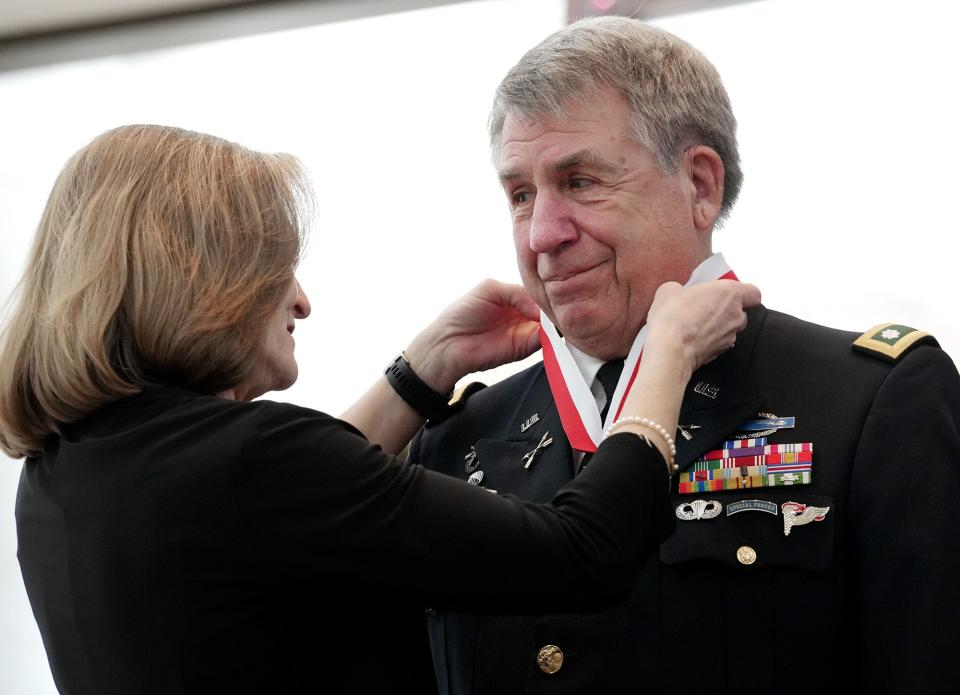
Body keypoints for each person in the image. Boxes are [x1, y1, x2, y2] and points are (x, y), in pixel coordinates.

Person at [0, 124, 758, 695]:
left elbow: (275, 511)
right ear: (199, 281)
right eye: (273, 266)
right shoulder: (252, 463)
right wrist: (668, 355)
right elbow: (582, 550)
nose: (299, 297)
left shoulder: (60, 475)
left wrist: (419, 373)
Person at [408, 16, 960, 695]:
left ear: (700, 185)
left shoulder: (869, 402)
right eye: (520, 194)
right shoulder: (454, 439)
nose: (543, 233)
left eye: (580, 180)